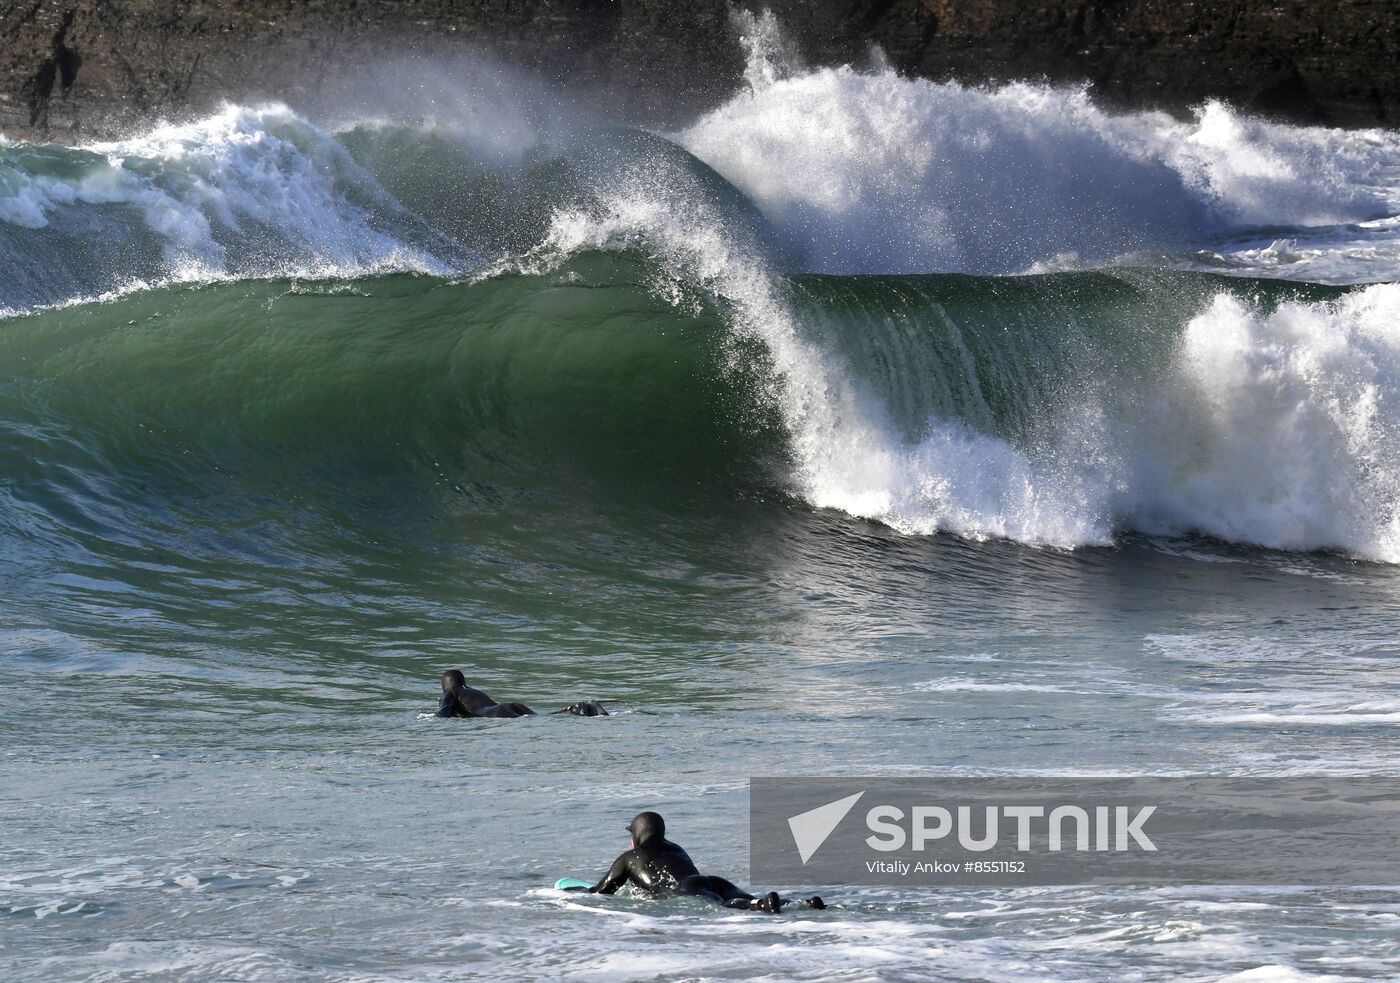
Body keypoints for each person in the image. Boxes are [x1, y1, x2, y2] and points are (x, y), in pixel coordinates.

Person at [590, 811, 824, 914]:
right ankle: (803, 903)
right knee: (744, 897)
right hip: (710, 881)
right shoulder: (676, 848)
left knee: (726, 906)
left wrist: (564, 892)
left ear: (636, 835)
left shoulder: (629, 858)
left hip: (685, 889)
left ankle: (760, 907)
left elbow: (601, 891)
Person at [435, 669, 607, 718]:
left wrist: (432, 721)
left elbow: (444, 711)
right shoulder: (474, 692)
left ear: (445, 686)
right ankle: (579, 708)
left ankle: (577, 710)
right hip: (505, 706)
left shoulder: (451, 693)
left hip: (495, 713)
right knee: (544, 717)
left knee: (545, 719)